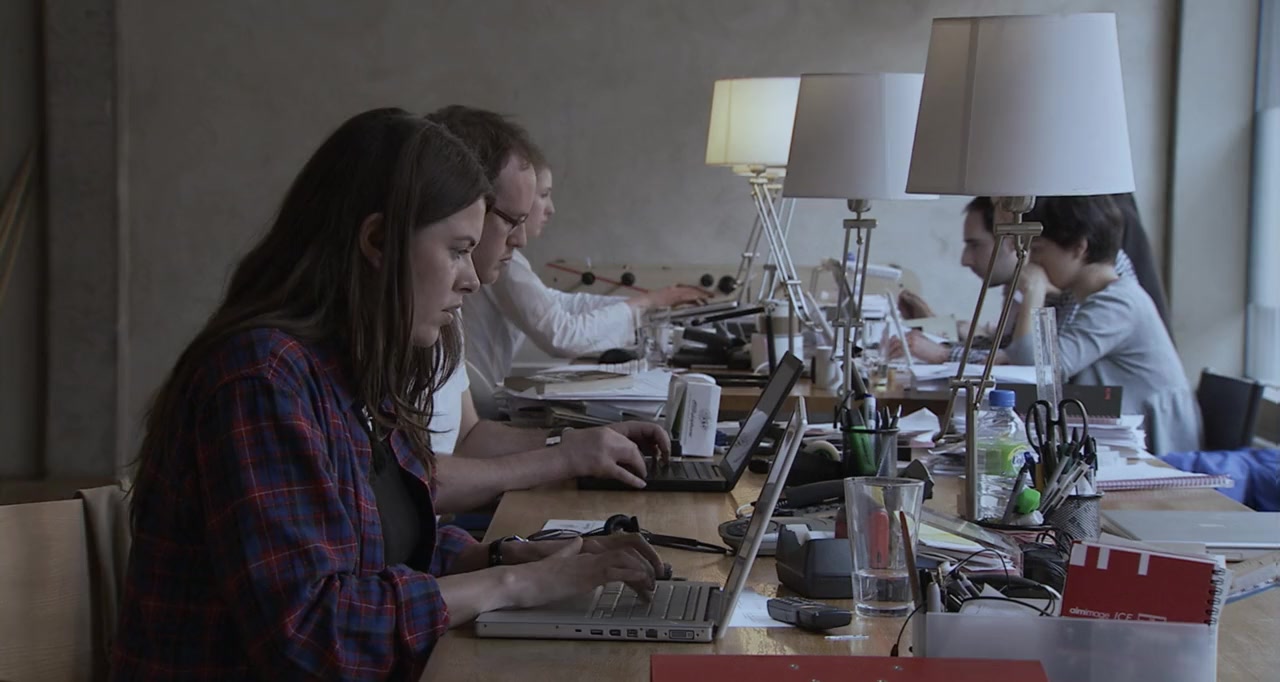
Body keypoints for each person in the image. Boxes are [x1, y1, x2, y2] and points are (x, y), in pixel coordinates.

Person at [112, 110, 664, 679]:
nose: (472, 279)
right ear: (377, 240)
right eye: (457, 250)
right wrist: (515, 583)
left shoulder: (347, 366)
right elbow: (314, 635)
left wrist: (503, 554)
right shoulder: (261, 380)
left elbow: (384, 542)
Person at [423, 105, 671, 512]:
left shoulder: (447, 310)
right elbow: (415, 484)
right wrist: (562, 458)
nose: (521, 240)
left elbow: (468, 438)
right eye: (510, 220)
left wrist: (578, 441)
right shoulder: (415, 318)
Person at [464, 154, 705, 417]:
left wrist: (650, 303)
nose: (551, 209)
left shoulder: (511, 260)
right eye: (543, 195)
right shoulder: (506, 265)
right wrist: (647, 303)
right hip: (481, 411)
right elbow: (563, 336)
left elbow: (558, 302)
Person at [1003, 195, 1200, 454]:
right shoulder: (1097, 298)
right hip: (1121, 430)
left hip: (1158, 445)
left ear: (1079, 248)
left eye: (1038, 250)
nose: (1032, 262)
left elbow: (1038, 368)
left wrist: (1033, 290)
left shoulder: (1118, 303)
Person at [890, 196, 1139, 364]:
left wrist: (943, 354)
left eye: (975, 245)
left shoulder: (1097, 289)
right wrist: (936, 328)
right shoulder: (1063, 277)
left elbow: (1034, 364)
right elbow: (1010, 349)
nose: (965, 259)